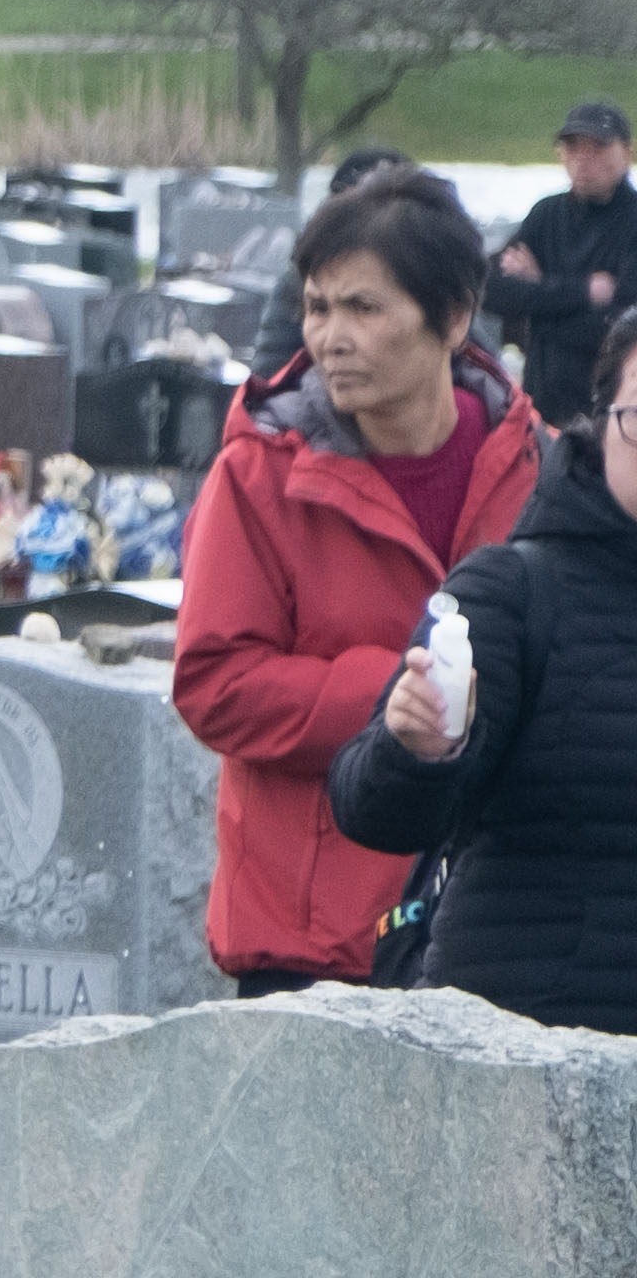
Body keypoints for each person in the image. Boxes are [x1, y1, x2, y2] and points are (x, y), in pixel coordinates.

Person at [179, 171, 540, 992]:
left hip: (491, 937)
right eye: (318, 307)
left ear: (453, 318)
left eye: (363, 308)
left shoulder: (537, 468)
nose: (330, 337)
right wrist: (397, 700)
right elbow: (215, 682)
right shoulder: (261, 475)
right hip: (310, 941)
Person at [328, 348, 637, 1035]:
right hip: (531, 1053)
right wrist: (420, 749)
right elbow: (372, 812)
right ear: (600, 424)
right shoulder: (514, 590)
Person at [487, 104, 637, 427]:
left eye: (598, 147)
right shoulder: (546, 215)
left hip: (611, 413)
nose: (583, 158)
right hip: (542, 407)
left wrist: (538, 298)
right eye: (573, 147)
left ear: (626, 152)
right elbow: (491, 290)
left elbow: (619, 329)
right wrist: (583, 291)